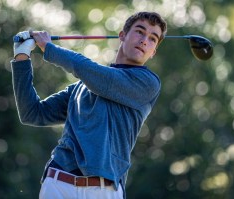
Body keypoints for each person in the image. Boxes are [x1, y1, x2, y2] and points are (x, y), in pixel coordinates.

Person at [11, 11, 167, 199]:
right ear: (122, 35)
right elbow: (32, 113)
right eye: (140, 32)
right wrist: (21, 58)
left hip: (104, 190)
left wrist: (49, 48)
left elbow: (103, 80)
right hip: (58, 184)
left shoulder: (148, 83)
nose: (144, 40)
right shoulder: (81, 87)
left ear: (153, 52)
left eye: (152, 39)